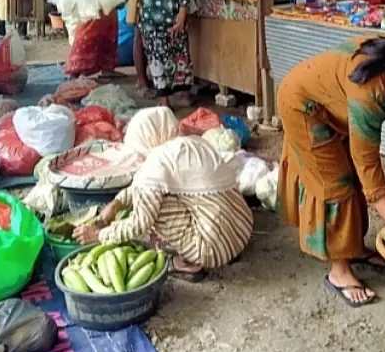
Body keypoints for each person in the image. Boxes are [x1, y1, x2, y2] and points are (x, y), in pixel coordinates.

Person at [278, 36, 385, 307]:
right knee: (336, 185)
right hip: (302, 106)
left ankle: (353, 248)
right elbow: (368, 165)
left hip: (332, 104)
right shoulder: (371, 94)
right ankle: (339, 271)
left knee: (353, 177)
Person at [74, 107, 253, 281]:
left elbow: (140, 224)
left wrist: (99, 235)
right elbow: (145, 183)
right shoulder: (193, 143)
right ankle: (220, 247)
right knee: (153, 193)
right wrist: (117, 203)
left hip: (212, 249)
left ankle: (190, 264)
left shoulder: (155, 166)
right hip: (241, 230)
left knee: (151, 205)